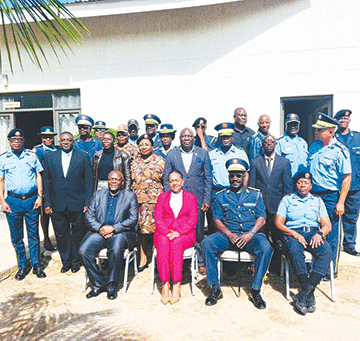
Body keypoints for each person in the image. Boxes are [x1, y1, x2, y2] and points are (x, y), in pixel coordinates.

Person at [202, 158, 273, 309]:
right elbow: (217, 220)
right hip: (229, 235)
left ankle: (255, 289)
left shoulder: (255, 194)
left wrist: (251, 233)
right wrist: (229, 234)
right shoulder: (220, 195)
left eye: (238, 175)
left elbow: (262, 218)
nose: (235, 179)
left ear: (244, 176)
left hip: (250, 235)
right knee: (208, 243)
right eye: (232, 176)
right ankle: (215, 287)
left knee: (266, 247)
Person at [275, 172, 332, 315]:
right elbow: (278, 223)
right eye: (300, 182)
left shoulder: (318, 201)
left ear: (311, 186)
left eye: (306, 183)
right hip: (294, 233)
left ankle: (304, 294)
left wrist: (320, 234)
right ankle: (308, 292)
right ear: (296, 184)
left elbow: (327, 225)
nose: (302, 185)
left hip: (313, 233)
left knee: (326, 252)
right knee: (294, 250)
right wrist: (294, 234)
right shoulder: (287, 199)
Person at [79, 171, 138, 300]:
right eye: (111, 179)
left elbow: (133, 219)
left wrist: (113, 228)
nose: (114, 181)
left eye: (117, 179)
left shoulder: (130, 196)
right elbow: (89, 217)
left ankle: (112, 285)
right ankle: (98, 283)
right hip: (99, 232)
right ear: (108, 181)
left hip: (120, 232)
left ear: (122, 182)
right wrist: (101, 228)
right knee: (83, 251)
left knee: (116, 248)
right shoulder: (98, 194)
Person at [43, 132, 94, 273]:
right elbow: (46, 182)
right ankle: (66, 261)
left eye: (69, 140)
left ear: (73, 142)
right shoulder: (50, 157)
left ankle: (76, 261)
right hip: (57, 203)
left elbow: (89, 182)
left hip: (77, 202)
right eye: (63, 140)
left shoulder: (82, 157)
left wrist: (87, 202)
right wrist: (47, 203)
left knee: (78, 234)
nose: (66, 142)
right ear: (59, 141)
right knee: (61, 235)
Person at [308, 113, 351, 279]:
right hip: (313, 195)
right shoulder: (314, 146)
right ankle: (314, 266)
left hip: (330, 196)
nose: (316, 133)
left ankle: (330, 269)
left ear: (331, 132)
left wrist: (341, 202)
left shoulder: (340, 151)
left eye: (320, 130)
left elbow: (347, 178)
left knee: (331, 233)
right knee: (314, 230)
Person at [163, 128, 212, 273]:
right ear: (179, 138)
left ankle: (201, 260)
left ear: (193, 138)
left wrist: (206, 199)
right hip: (177, 198)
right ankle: (180, 261)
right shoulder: (172, 154)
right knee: (178, 228)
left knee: (198, 231)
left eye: (189, 136)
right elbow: (167, 179)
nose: (186, 138)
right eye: (183, 136)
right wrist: (167, 199)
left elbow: (208, 178)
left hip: (197, 198)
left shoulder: (202, 153)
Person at [0, 128, 46, 280]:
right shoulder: (3, 158)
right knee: (17, 236)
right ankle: (21, 266)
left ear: (23, 141)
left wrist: (40, 196)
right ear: (9, 141)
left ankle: (36, 265)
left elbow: (39, 175)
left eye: (20, 140)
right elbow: (1, 181)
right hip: (13, 202)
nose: (17, 142)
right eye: (14, 140)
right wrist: (2, 201)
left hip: (32, 200)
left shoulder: (31, 156)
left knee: (33, 235)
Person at [249, 134, 293, 274]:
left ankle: (276, 267)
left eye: (271, 142)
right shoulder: (255, 162)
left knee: (277, 238)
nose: (268, 144)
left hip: (277, 208)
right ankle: (259, 266)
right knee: (260, 238)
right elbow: (252, 186)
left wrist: (285, 208)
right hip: (260, 208)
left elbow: (287, 187)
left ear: (275, 144)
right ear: (263, 145)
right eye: (266, 142)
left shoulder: (284, 162)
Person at [154, 171, 198, 304]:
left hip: (185, 233)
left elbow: (193, 219)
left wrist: (179, 232)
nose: (174, 183)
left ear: (182, 181)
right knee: (162, 242)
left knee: (176, 243)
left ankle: (176, 283)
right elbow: (158, 218)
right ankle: (165, 283)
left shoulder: (191, 197)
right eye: (171, 181)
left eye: (177, 180)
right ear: (168, 183)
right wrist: (167, 232)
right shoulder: (162, 197)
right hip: (165, 232)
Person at [131, 134, 165, 271]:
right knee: (141, 231)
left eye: (147, 144)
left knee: (156, 230)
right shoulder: (134, 162)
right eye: (141, 145)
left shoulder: (160, 161)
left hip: (156, 200)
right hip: (138, 201)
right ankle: (143, 258)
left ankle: (156, 259)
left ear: (152, 146)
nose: (144, 147)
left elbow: (165, 181)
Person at [334, 109, 360, 256]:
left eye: (345, 118)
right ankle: (334, 243)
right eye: (340, 119)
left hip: (355, 184)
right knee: (334, 215)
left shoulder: (357, 138)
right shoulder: (333, 137)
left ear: (349, 121)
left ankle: (349, 244)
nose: (343, 121)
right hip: (337, 184)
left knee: (351, 215)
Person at [33, 126, 58, 251]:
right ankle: (46, 238)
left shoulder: (56, 149)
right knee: (44, 214)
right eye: (45, 137)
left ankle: (58, 237)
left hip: (56, 185)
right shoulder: (37, 150)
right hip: (44, 183)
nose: (48, 139)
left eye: (50, 137)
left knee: (56, 212)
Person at [209, 122, 249, 191]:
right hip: (216, 191)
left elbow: (246, 174)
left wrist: (243, 191)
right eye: (223, 137)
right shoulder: (211, 154)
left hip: (235, 190)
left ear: (232, 138)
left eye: (228, 137)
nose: (225, 140)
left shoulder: (240, 153)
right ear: (219, 138)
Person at [275, 113, 308, 177]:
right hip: (288, 179)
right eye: (290, 124)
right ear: (286, 125)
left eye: (295, 124)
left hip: (301, 180)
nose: (293, 127)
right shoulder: (280, 142)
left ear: (299, 125)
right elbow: (276, 165)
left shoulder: (303, 142)